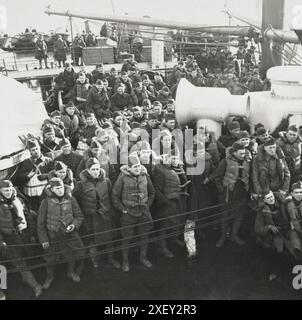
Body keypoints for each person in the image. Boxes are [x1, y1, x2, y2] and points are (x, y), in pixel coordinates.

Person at [38, 178, 85, 289]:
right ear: (52, 189)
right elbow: (40, 223)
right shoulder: (45, 202)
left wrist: (73, 225)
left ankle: (71, 272)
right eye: (57, 188)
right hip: (52, 235)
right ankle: (49, 277)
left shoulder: (71, 199)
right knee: (50, 258)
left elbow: (79, 216)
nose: (60, 190)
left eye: (62, 187)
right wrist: (44, 239)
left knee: (72, 253)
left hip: (69, 233)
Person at [74, 158, 120, 269]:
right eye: (93, 169)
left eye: (98, 169)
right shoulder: (80, 184)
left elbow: (111, 197)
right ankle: (94, 261)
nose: (96, 172)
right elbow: (75, 201)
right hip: (90, 217)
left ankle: (111, 258)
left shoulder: (106, 181)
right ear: (88, 170)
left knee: (109, 239)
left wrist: (111, 213)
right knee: (92, 241)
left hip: (105, 215)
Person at [112, 153, 155, 272]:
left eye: (139, 166)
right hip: (128, 213)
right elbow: (115, 196)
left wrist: (147, 205)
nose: (138, 169)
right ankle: (125, 261)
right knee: (126, 238)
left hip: (143, 212)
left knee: (144, 235)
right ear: (129, 167)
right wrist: (123, 210)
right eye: (135, 167)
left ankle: (143, 258)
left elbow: (152, 192)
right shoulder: (122, 178)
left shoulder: (145, 175)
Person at [0, 180, 43, 298]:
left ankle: (28, 280)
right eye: (5, 190)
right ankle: (35, 285)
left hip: (21, 236)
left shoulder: (18, 200)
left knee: (23, 260)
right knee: (16, 262)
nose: (8, 192)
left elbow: (28, 216)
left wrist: (32, 233)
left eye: (9, 190)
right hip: (7, 240)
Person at [210, 142, 252, 248]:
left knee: (239, 216)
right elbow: (217, 177)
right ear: (234, 153)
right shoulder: (225, 161)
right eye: (241, 153)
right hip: (228, 193)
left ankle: (234, 235)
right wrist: (222, 190)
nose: (243, 155)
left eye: (244, 153)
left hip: (242, 191)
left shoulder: (248, 160)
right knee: (225, 216)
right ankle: (223, 237)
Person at [14, 139, 52, 211]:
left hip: (46, 192)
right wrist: (27, 175)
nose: (36, 151)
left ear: (40, 148)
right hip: (31, 195)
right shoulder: (25, 163)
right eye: (33, 150)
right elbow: (18, 178)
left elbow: (53, 173)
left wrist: (46, 175)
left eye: (37, 149)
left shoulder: (48, 160)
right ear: (29, 151)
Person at [252, 138, 290, 202]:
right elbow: (254, 176)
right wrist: (259, 192)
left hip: (279, 189)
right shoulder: (257, 159)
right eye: (270, 148)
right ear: (264, 148)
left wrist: (284, 189)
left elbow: (287, 173)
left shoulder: (280, 157)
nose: (272, 150)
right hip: (265, 191)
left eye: (274, 147)